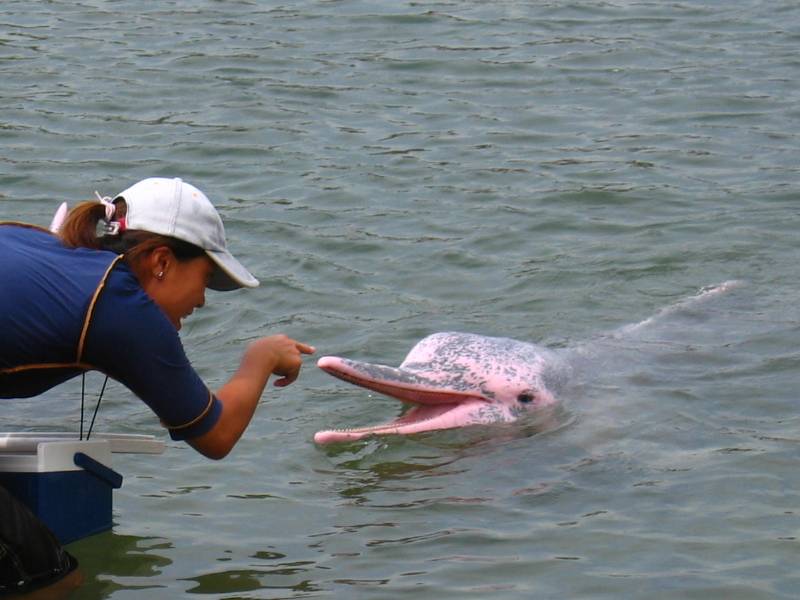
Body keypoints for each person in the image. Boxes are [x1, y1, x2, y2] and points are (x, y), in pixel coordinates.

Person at [0, 177, 314, 598]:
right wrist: (260, 359)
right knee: (49, 582)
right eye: (205, 278)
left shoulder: (46, 247)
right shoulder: (121, 306)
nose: (202, 300)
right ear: (161, 261)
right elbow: (216, 435)